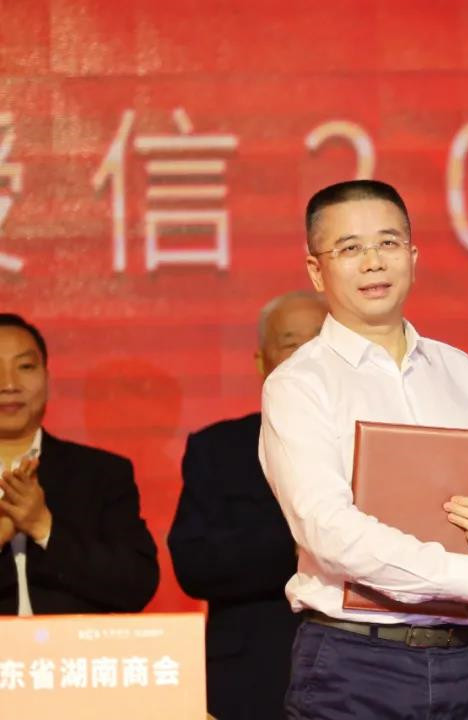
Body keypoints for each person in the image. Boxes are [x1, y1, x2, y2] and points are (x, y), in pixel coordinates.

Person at [258, 179, 468, 720]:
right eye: (350, 248)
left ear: (413, 257)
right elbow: (328, 531)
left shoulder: (459, 371)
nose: (373, 261)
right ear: (317, 271)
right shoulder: (299, 384)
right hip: (356, 664)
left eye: (388, 243)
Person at [168, 290, 327, 720]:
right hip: (253, 675)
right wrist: (301, 540)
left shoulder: (377, 443)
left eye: (321, 339)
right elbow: (194, 563)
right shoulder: (218, 448)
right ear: (261, 362)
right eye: (291, 343)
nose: (308, 354)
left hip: (368, 672)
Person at [0, 313, 159, 615]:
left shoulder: (101, 474)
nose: (9, 384)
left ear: (47, 379)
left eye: (25, 366)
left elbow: (138, 584)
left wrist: (43, 527)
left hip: (75, 646)